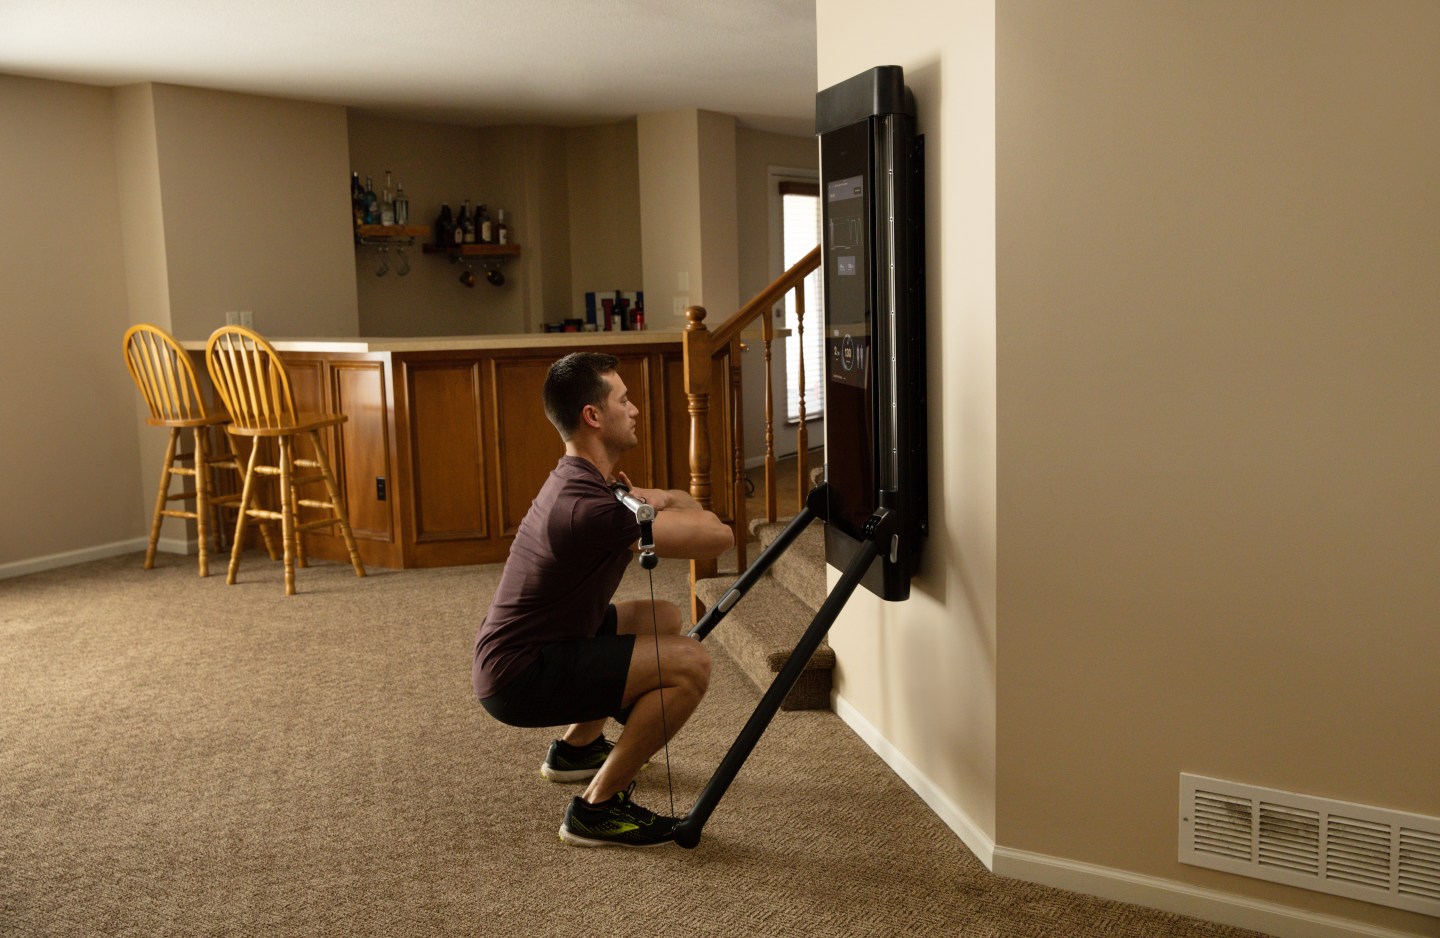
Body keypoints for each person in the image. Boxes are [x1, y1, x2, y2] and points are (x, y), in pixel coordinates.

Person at [472, 351, 733, 848]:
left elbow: (691, 516)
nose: (634, 409)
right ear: (593, 416)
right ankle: (596, 809)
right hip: (518, 677)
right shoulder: (593, 507)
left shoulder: (585, 481)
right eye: (624, 399)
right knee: (690, 664)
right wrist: (664, 500)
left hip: (526, 650)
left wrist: (657, 501)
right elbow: (718, 536)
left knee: (662, 616)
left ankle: (577, 750)